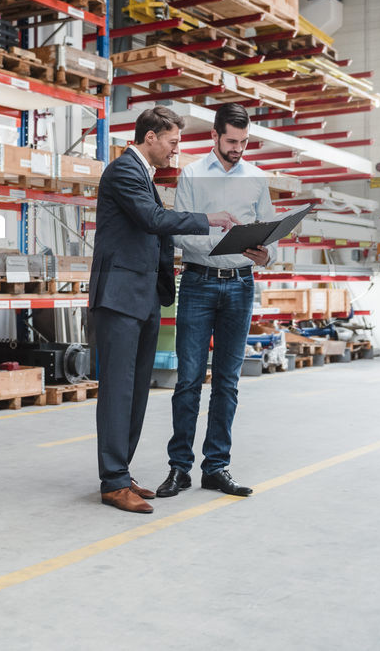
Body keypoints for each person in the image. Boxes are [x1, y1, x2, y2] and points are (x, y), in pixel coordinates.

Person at [88, 105, 239, 514]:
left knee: (136, 390)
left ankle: (121, 473)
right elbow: (152, 218)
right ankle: (113, 482)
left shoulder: (144, 175)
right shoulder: (123, 171)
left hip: (143, 297)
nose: (175, 150)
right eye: (172, 142)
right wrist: (207, 219)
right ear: (150, 137)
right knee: (118, 392)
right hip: (120, 298)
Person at [155, 103, 275, 500]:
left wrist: (264, 254)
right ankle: (178, 469)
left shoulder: (257, 178)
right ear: (215, 136)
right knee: (188, 380)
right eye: (231, 141)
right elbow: (180, 232)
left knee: (227, 381)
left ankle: (216, 467)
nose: (238, 149)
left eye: (243, 142)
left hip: (241, 284)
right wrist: (221, 242)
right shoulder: (191, 174)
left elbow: (268, 232)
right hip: (199, 283)